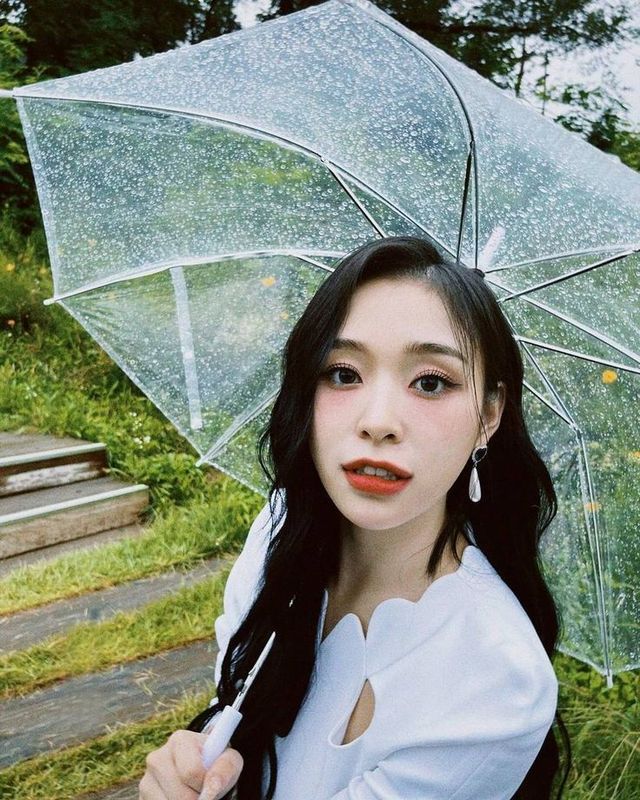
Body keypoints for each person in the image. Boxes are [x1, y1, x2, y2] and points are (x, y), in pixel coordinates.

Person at [140, 236, 571, 800]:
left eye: (431, 382)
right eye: (343, 373)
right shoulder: (278, 532)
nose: (379, 421)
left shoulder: (496, 679)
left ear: (489, 415)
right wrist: (192, 767)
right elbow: (237, 711)